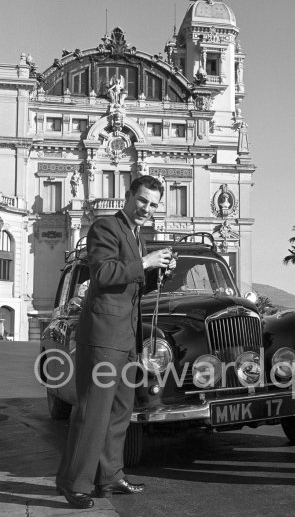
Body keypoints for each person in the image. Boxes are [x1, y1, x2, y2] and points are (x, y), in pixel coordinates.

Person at [56, 175, 175, 509]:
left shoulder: (136, 235)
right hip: (103, 335)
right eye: (142, 201)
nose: (147, 209)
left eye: (153, 204)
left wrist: (155, 273)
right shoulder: (106, 227)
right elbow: (104, 274)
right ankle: (74, 483)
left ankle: (109, 477)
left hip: (126, 337)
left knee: (121, 411)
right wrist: (145, 263)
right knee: (93, 411)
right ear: (128, 196)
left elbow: (130, 286)